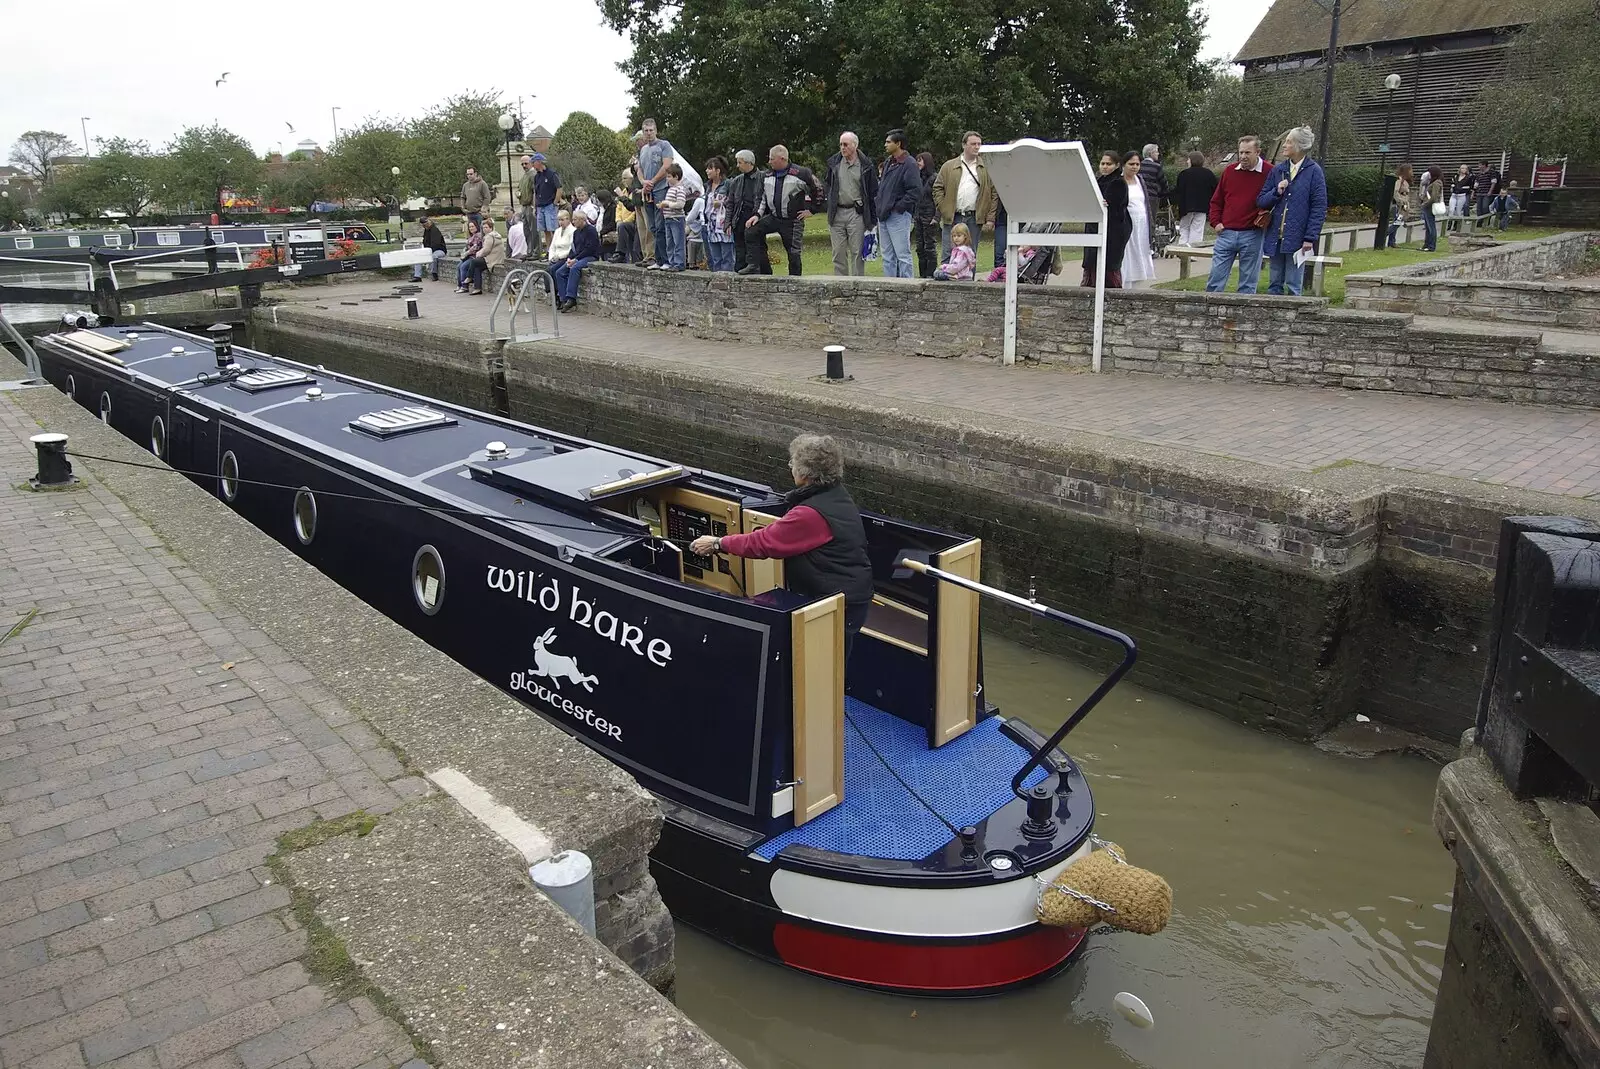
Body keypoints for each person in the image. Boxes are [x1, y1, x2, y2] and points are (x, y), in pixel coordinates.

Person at [688, 434, 874, 667]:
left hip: (836, 601)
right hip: (845, 594)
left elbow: (764, 543)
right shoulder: (835, 494)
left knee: (825, 665)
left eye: (792, 464)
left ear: (804, 474)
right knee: (832, 660)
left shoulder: (810, 514)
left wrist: (717, 543)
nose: (790, 468)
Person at [1256, 125, 1328, 297]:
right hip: (1275, 236)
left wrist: (1310, 237)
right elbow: (1261, 200)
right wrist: (1276, 192)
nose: (1284, 145)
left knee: (1294, 285)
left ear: (1298, 146)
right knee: (1274, 283)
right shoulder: (1278, 170)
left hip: (1298, 237)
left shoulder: (1314, 172)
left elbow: (1318, 207)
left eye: (1288, 142)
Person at [741, 144, 820, 276]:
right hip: (774, 217)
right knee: (752, 231)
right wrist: (756, 215)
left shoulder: (801, 173)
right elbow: (761, 197)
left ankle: (795, 281)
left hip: (793, 221)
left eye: (772, 159)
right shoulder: (766, 175)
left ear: (782, 158)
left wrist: (812, 210)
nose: (769, 162)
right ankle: (755, 266)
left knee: (793, 252)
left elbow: (818, 189)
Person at [1205, 135, 1269, 293]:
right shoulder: (1230, 171)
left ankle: (1243, 316)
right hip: (1226, 232)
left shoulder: (1269, 172)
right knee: (1215, 280)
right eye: (1241, 152)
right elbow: (1217, 200)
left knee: (1248, 283)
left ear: (1258, 152)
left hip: (1252, 233)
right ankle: (1210, 313)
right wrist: (1216, 222)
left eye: (1248, 153)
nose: (1243, 156)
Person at [931, 132, 996, 263]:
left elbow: (993, 193)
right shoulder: (949, 166)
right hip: (953, 216)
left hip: (974, 217)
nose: (977, 147)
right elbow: (937, 187)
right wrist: (944, 207)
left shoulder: (986, 167)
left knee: (970, 256)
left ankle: (967, 283)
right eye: (973, 144)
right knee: (948, 254)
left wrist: (990, 218)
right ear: (964, 145)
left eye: (979, 144)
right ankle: (946, 283)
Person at [824, 132, 880, 276]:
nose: (842, 148)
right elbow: (828, 185)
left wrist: (872, 219)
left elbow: (873, 192)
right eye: (841, 144)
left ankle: (857, 285)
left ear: (855, 145)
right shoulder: (834, 163)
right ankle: (841, 285)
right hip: (837, 212)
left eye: (846, 145)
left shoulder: (866, 165)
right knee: (838, 252)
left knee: (857, 251)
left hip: (856, 212)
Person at [1082, 150, 1132, 289]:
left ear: (1116, 166)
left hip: (1113, 231)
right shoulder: (1099, 181)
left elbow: (1113, 207)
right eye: (1102, 163)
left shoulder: (1118, 183)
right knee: (1092, 264)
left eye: (1108, 164)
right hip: (1095, 227)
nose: (1104, 167)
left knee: (1109, 266)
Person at [876, 129, 921, 279]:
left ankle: (908, 287)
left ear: (898, 143)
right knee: (887, 256)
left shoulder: (909, 163)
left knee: (903, 255)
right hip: (884, 215)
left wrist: (899, 207)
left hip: (898, 215)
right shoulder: (889, 162)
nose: (885, 145)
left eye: (889, 142)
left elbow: (915, 191)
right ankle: (890, 286)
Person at [727, 149, 768, 275]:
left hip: (756, 218)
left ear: (749, 163)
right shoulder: (736, 181)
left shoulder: (762, 178)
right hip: (739, 219)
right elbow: (730, 203)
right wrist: (728, 222)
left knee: (759, 249)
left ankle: (765, 275)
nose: (738, 165)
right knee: (740, 251)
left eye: (740, 162)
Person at [1120, 151, 1157, 287]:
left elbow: (1145, 202)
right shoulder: (1119, 181)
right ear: (1124, 165)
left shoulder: (1140, 180)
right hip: (1127, 223)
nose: (1134, 167)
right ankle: (1124, 283)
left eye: (1137, 164)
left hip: (1142, 223)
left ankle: (1136, 283)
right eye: (1131, 164)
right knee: (1127, 253)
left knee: (1139, 252)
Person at [553, 210, 600, 312]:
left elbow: (590, 249)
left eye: (575, 220)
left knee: (575, 268)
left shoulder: (591, 231)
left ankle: (571, 298)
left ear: (582, 220)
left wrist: (576, 259)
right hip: (577, 257)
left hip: (590, 256)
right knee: (560, 272)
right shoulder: (576, 232)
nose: (573, 222)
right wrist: (570, 258)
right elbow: (573, 248)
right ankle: (563, 299)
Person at [1174, 151, 1216, 247]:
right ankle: (1193, 251)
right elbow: (1215, 190)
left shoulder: (1184, 174)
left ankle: (1182, 249)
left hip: (1186, 206)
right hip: (1202, 206)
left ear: (1192, 160)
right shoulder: (1208, 174)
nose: (1187, 161)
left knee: (1184, 228)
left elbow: (1179, 190)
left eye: (1188, 159)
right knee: (1197, 229)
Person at [702, 157, 736, 272]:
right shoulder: (707, 186)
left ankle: (727, 282)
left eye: (710, 168)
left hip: (723, 226)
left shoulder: (728, 184)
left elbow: (733, 202)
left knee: (727, 257)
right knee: (715, 258)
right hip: (711, 226)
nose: (707, 171)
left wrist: (722, 202)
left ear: (718, 171)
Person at [656, 163, 690, 271]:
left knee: (678, 242)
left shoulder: (679, 189)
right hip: (668, 219)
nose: (667, 179)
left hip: (676, 219)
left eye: (669, 176)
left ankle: (679, 264)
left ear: (676, 176)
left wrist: (667, 204)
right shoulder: (671, 189)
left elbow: (680, 204)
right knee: (669, 243)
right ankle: (671, 262)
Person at [913, 151, 940, 278]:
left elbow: (938, 199)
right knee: (919, 247)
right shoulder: (917, 177)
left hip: (929, 216)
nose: (918, 163)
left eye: (920, 160)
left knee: (929, 246)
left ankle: (930, 273)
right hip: (918, 215)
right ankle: (922, 274)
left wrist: (936, 217)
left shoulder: (934, 178)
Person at [461, 219, 503, 295]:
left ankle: (469, 277)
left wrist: (478, 254)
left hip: (492, 259)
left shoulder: (490, 236)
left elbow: (486, 250)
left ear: (491, 228)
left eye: (486, 227)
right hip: (493, 258)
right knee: (477, 268)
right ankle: (477, 288)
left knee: (474, 261)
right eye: (483, 228)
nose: (485, 229)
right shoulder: (493, 235)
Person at [410, 215, 447, 282]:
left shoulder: (435, 230)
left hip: (439, 250)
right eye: (423, 225)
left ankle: (434, 274)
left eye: (426, 224)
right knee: (418, 257)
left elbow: (436, 243)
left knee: (434, 256)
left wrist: (429, 252)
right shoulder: (426, 231)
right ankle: (417, 276)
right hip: (429, 251)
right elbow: (425, 242)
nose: (425, 226)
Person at [1387, 164, 1416, 247]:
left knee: (1398, 221)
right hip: (1400, 205)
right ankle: (1385, 234)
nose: (1412, 172)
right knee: (1398, 221)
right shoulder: (1399, 181)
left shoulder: (1406, 182)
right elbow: (1395, 192)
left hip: (1404, 204)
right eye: (1410, 170)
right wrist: (1400, 202)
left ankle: (1392, 241)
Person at [1138, 143, 1170, 216]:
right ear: (1151, 153)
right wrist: (1164, 194)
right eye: (1156, 151)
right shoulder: (1156, 167)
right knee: (1151, 219)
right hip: (1152, 196)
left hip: (1140, 196)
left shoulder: (1139, 165)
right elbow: (1163, 182)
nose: (1158, 154)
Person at [1420, 166, 1445, 252]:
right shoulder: (1433, 182)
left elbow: (1434, 197)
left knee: (1431, 227)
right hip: (1427, 206)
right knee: (1428, 226)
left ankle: (1431, 246)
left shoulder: (1437, 183)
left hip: (1429, 207)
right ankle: (1426, 244)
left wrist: (1425, 204)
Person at [454, 219, 482, 290]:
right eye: (470, 227)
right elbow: (467, 247)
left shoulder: (478, 235)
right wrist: (464, 252)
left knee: (463, 267)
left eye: (473, 226)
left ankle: (464, 286)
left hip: (474, 257)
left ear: (476, 227)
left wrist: (466, 253)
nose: (471, 228)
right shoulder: (471, 236)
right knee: (458, 266)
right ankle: (459, 285)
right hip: (468, 256)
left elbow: (475, 247)